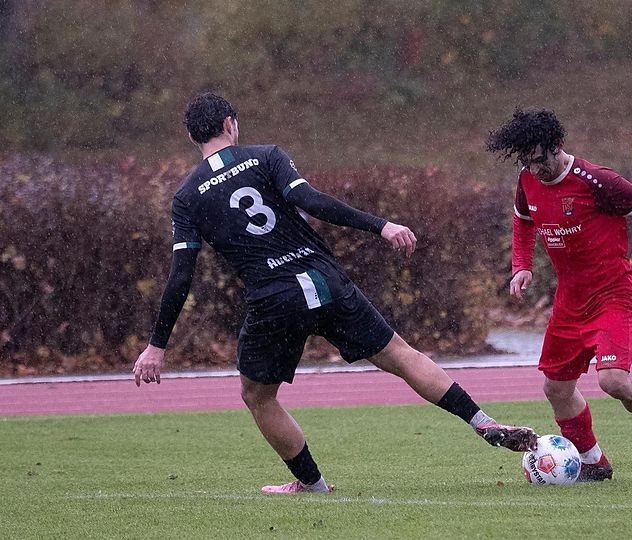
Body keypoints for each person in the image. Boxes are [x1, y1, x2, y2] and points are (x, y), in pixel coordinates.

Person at [132, 92, 537, 494]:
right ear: (229, 124)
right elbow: (312, 201)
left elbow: (180, 275)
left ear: (192, 137)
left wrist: (157, 346)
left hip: (274, 300)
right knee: (401, 354)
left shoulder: (187, 196)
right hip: (324, 279)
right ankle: (483, 422)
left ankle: (313, 483)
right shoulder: (266, 156)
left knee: (258, 396)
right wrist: (381, 226)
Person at [486, 109, 632, 478]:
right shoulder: (527, 179)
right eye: (528, 163)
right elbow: (523, 219)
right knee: (556, 389)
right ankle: (594, 463)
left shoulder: (597, 180)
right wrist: (522, 265)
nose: (537, 170)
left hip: (614, 295)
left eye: (541, 160)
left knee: (612, 380)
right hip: (570, 302)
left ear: (558, 146)